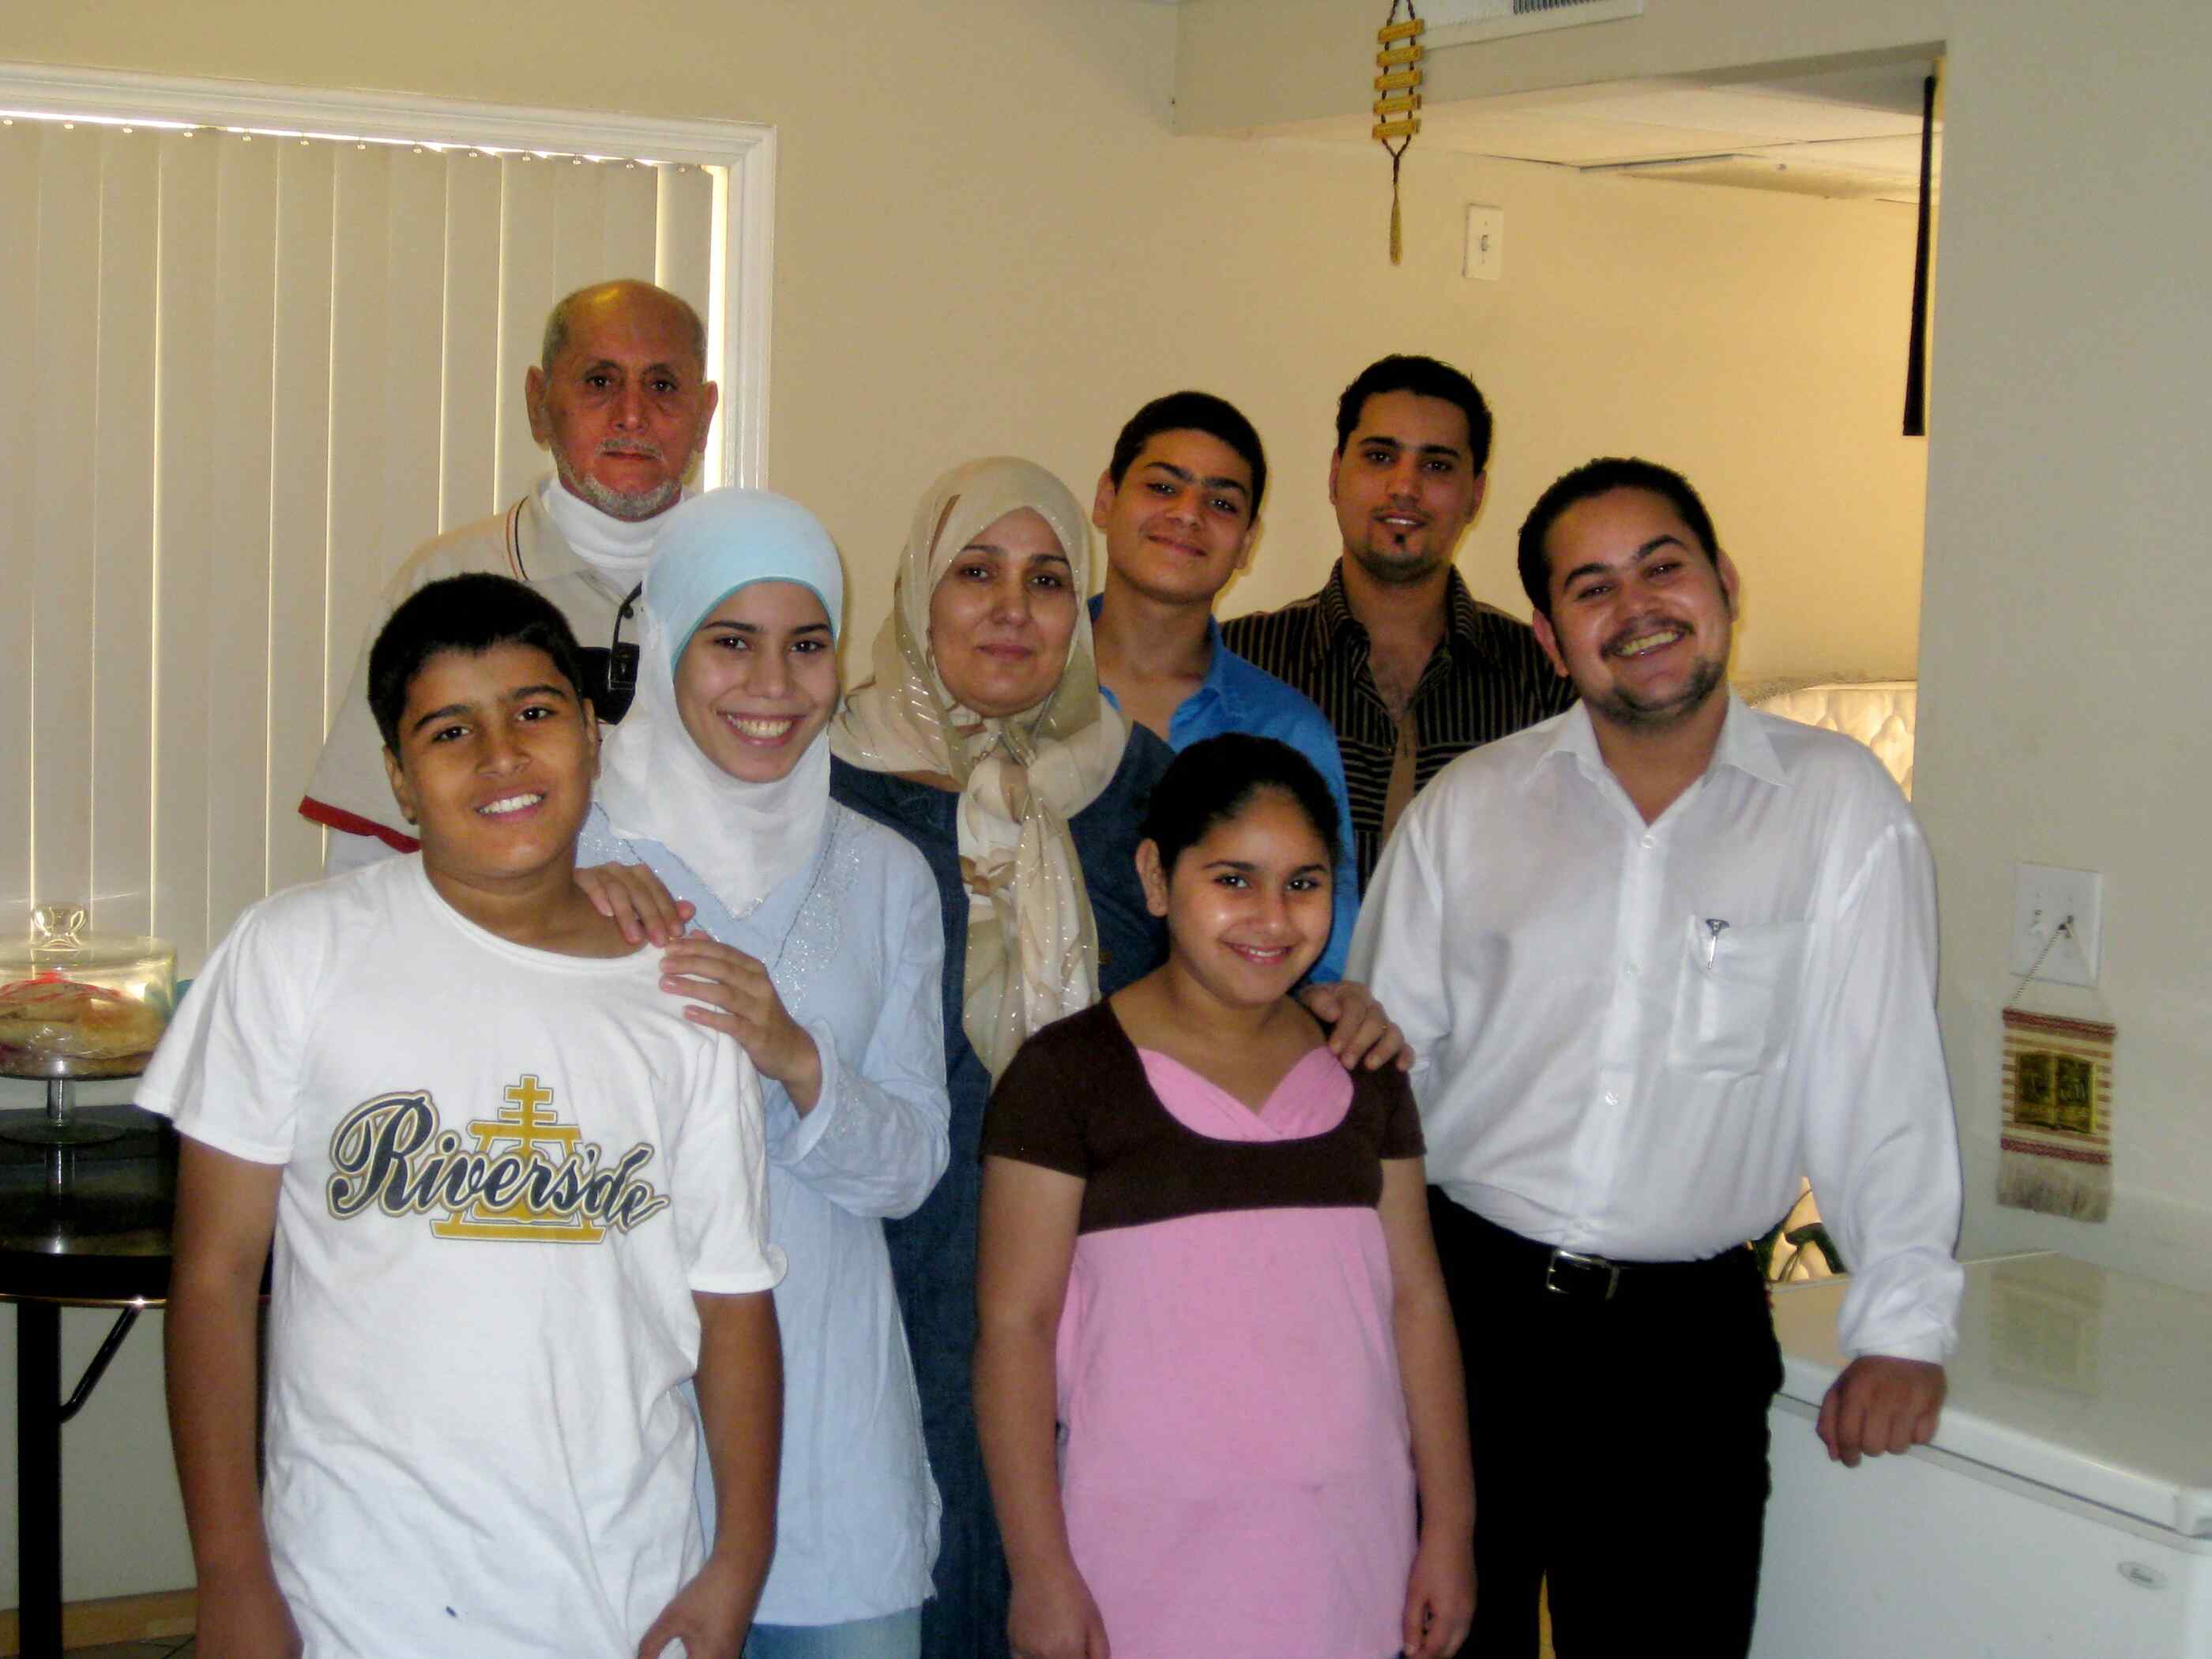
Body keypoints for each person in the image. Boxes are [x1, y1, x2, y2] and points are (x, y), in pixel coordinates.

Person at [1349, 457, 1965, 1658]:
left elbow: (1881, 1078)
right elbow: (1379, 1087)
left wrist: (1902, 1328)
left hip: (1684, 1351)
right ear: (1549, 637)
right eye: (1591, 588)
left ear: (1724, 582)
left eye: (1663, 567)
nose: (1636, 608)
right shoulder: (1471, 810)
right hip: (1468, 1322)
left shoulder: (1838, 807)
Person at [827, 457, 1408, 1659]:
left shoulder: (1136, 780)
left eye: (1048, 580)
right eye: (975, 573)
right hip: (883, 1251)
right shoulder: (829, 783)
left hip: (1111, 1269)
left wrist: (1324, 1000)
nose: (1012, 609)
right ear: (920, 593)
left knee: (1088, 1577)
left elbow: (1221, 963)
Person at [151, 574, 785, 1659]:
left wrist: (740, 1559)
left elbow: (732, 1308)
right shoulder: (296, 954)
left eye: (535, 712)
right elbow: (212, 1279)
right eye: (450, 731)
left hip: (617, 1591)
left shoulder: (683, 1002)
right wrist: (230, 1575)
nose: (501, 756)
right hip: (352, 1594)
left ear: (592, 737)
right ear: (399, 780)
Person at [976, 734, 1475, 1659]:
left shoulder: (1364, 1070)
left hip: (1348, 1557)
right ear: (1156, 879)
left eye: (1304, 883)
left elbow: (1418, 1305)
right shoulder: (1066, 1077)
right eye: (1233, 880)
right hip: (1135, 1565)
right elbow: (1016, 1329)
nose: (1272, 918)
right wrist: (1039, 1569)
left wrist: (1448, 1527)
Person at [574, 487, 950, 1658]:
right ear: (667, 647)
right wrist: (554, 909)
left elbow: (913, 1168)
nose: (774, 686)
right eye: (731, 642)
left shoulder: (887, 875)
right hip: (621, 1418)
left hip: (833, 1420)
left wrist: (796, 1059)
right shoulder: (576, 856)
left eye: (808, 644)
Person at [301, 277, 719, 869]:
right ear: (538, 404)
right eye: (600, 382)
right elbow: (369, 855)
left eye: (662, 385)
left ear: (704, 415)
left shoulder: (757, 589)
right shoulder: (447, 583)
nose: (632, 415)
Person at [1222, 354, 1575, 890]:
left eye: (1437, 466)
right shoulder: (1241, 660)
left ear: (1475, 495)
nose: (1404, 487)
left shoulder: (1546, 677)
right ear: (1335, 475)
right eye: (1380, 457)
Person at [1086, 390, 1360, 981]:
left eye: (1221, 502)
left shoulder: (1286, 731)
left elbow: (1324, 963)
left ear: (1247, 542)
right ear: (1106, 498)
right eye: (1163, 487)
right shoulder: (1017, 687)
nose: (1188, 514)